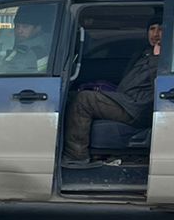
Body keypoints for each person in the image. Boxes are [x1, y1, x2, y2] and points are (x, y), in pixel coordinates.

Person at [62, 21, 163, 166]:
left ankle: (76, 158)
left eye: (161, 29)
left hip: (138, 108)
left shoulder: (164, 58)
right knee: (71, 95)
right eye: (152, 29)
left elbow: (158, 83)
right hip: (127, 101)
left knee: (84, 100)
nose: (155, 34)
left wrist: (157, 57)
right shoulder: (144, 53)